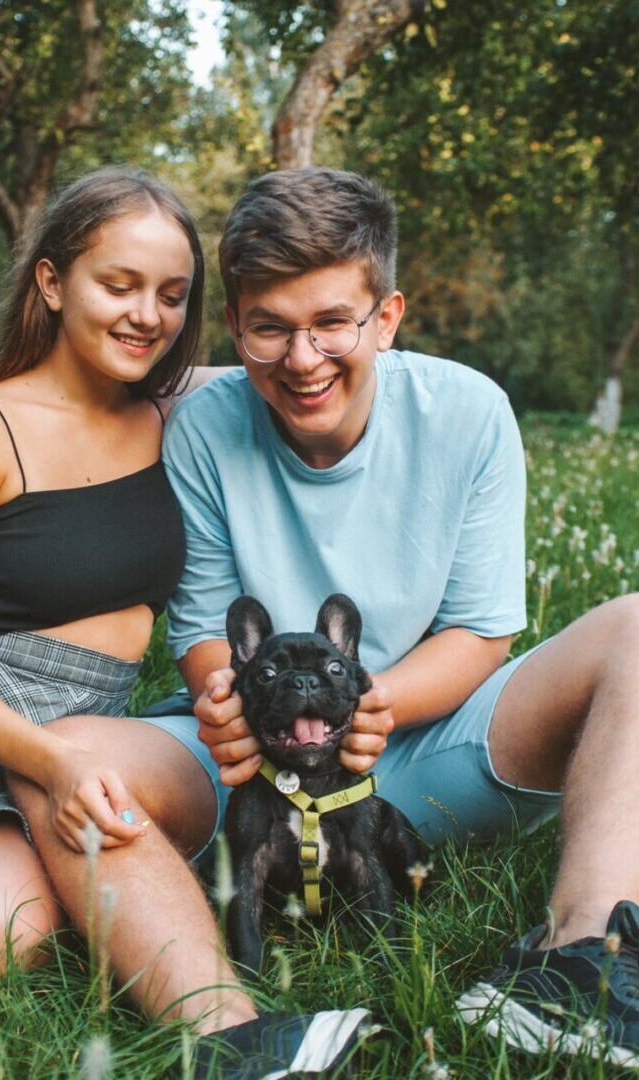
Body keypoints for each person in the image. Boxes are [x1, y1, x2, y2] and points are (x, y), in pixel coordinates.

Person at [0, 166, 372, 1078]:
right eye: (120, 285)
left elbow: (306, 352)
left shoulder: (174, 411)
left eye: (173, 296)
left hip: (79, 733)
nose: (149, 314)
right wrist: (54, 757)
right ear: (52, 281)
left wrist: (406, 361)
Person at [155, 167, 639, 1068]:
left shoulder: (469, 412)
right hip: (253, 764)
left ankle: (578, 964)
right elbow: (200, 628)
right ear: (236, 326)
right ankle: (220, 998)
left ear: (386, 316)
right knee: (82, 764)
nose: (302, 359)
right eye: (270, 328)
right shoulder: (202, 428)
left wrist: (373, 707)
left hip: (420, 741)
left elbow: (481, 632)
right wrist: (221, 698)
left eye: (332, 322)